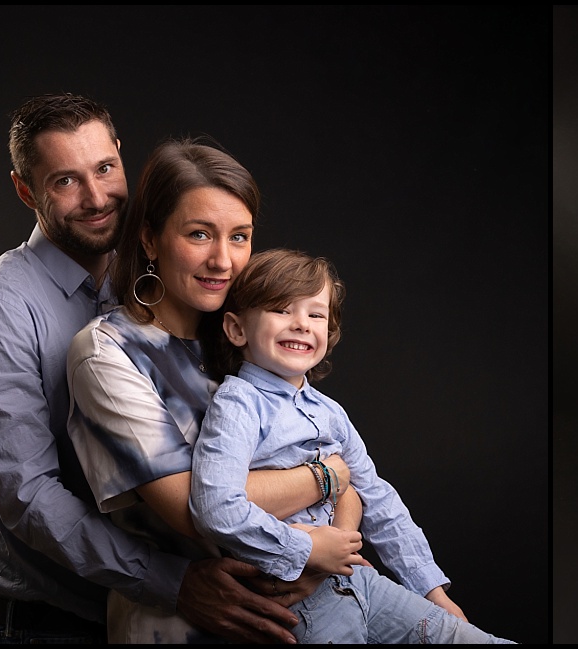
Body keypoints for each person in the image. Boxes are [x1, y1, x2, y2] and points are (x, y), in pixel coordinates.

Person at [0, 93, 313, 644]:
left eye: (105, 169)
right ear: (25, 189)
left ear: (120, 156)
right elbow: (27, 497)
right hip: (56, 623)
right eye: (64, 181)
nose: (96, 198)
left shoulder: (175, 273)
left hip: (193, 613)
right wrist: (174, 582)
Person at [65, 137, 362, 643]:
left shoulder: (246, 336)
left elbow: (336, 466)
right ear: (151, 239)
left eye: (240, 236)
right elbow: (196, 510)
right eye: (200, 234)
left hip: (295, 613)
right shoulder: (108, 351)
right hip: (178, 624)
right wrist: (329, 475)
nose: (223, 260)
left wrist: (328, 548)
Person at [189, 248, 516, 644]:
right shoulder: (238, 403)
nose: (301, 325)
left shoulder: (330, 412)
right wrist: (306, 549)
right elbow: (215, 507)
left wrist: (432, 590)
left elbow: (376, 496)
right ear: (237, 329)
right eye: (281, 309)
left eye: (316, 314)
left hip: (360, 582)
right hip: (298, 604)